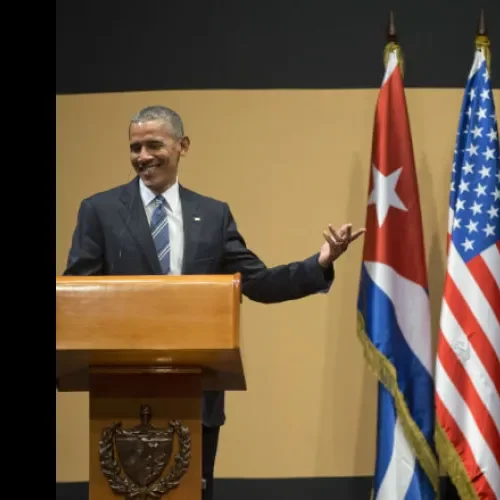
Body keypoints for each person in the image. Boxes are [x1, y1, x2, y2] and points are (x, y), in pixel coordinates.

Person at [62, 105, 365, 500]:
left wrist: (320, 262)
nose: (143, 156)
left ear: (182, 146)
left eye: (154, 145)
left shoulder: (213, 214)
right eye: (135, 147)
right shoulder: (99, 211)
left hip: (196, 392)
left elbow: (258, 283)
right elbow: (76, 291)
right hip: (119, 390)